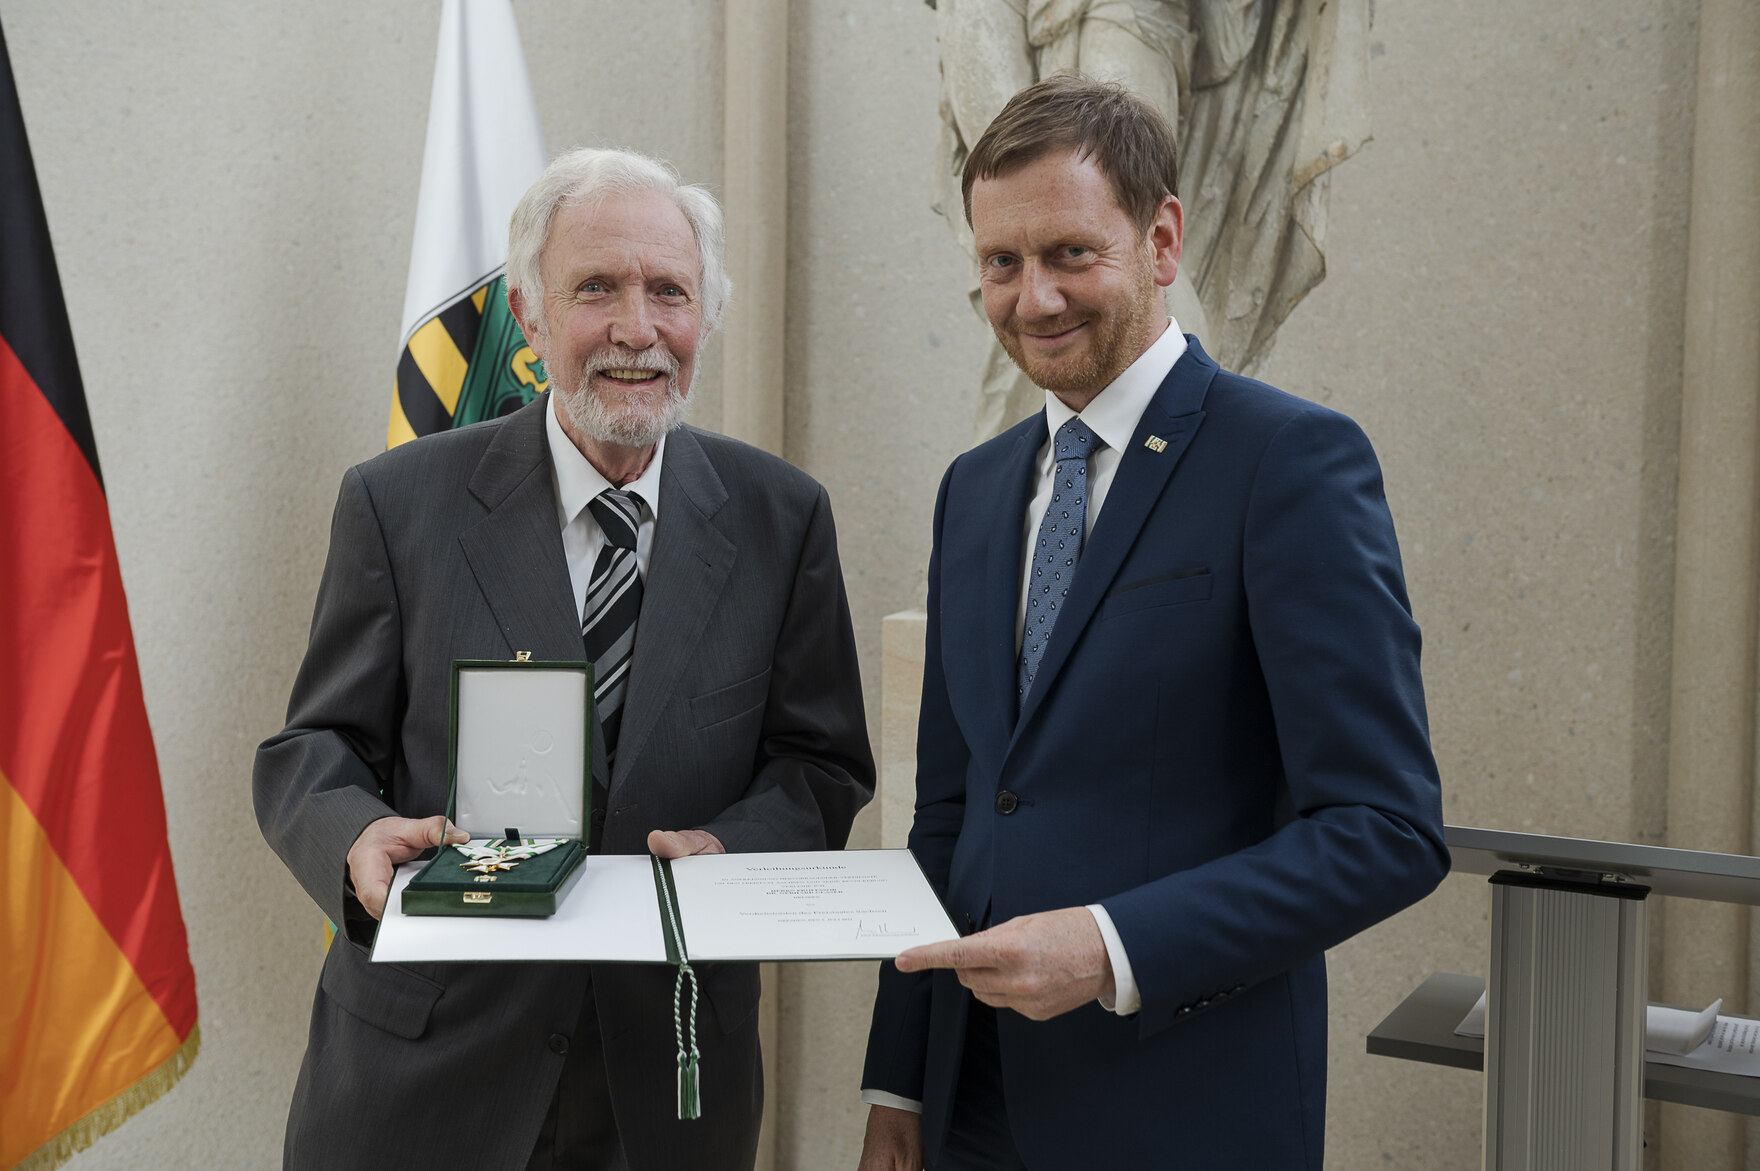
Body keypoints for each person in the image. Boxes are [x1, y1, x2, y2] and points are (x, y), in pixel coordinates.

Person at [858, 75, 1448, 1170]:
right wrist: (898, 1083)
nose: (1031, 298)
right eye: (1000, 262)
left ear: (1161, 237)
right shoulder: (975, 490)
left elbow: (1385, 830)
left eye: (1069, 253)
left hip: (1182, 1109)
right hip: (967, 1110)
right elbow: (947, 818)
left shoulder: (1287, 464)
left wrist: (1110, 944)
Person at [254, 146, 874, 1171]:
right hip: (423, 1080)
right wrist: (355, 837)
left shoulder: (782, 517)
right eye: (596, 288)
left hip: (664, 1085)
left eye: (668, 291)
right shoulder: (398, 502)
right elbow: (312, 744)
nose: (637, 328)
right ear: (529, 316)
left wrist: (735, 845)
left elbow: (821, 764)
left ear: (705, 314)